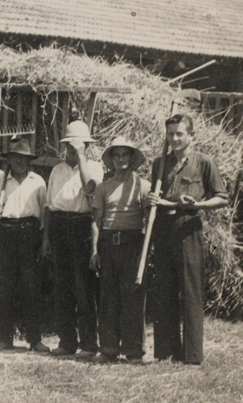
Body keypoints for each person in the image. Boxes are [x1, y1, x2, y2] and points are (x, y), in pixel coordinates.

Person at [146, 114, 227, 365]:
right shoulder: (159, 163)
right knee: (164, 290)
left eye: (180, 133)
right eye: (170, 134)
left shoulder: (204, 162)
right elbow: (154, 194)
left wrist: (199, 204)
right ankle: (166, 353)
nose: (175, 138)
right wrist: (151, 199)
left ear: (191, 135)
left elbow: (222, 198)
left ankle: (192, 356)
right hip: (163, 227)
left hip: (189, 227)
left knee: (191, 291)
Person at [42, 121, 104, 358]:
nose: (70, 149)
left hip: (81, 226)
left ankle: (89, 343)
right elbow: (49, 205)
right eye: (68, 145)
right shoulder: (57, 171)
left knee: (83, 287)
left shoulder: (94, 168)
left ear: (86, 146)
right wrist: (47, 238)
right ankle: (67, 341)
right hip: (59, 225)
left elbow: (90, 190)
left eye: (76, 146)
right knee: (62, 286)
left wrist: (81, 159)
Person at [89, 137, 151, 364]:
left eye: (125, 154)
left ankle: (134, 352)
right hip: (107, 245)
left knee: (132, 298)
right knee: (108, 298)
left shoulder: (142, 186)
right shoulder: (103, 187)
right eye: (117, 155)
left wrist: (145, 251)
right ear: (111, 159)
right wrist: (94, 251)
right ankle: (108, 349)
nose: (121, 159)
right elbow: (96, 220)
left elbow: (148, 219)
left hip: (133, 244)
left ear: (132, 158)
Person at [0, 137, 50, 353]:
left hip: (30, 234)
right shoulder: (0, 181)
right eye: (15, 157)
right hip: (6, 232)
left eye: (23, 158)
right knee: (5, 286)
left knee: (31, 286)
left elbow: (44, 215)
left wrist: (42, 241)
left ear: (29, 160)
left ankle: (34, 339)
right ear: (9, 159)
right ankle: (4, 338)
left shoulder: (38, 182)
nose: (19, 162)